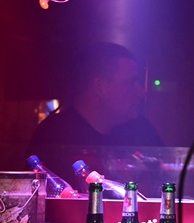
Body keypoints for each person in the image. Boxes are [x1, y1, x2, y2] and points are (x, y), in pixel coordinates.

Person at [26, 41, 163, 184]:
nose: (140, 91)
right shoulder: (53, 136)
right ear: (99, 86)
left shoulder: (141, 131)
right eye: (130, 83)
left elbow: (167, 175)